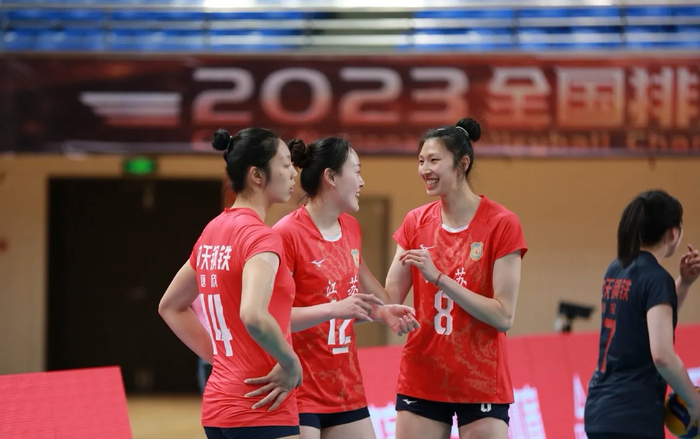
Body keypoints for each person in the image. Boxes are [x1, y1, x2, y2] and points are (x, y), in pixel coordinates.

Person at [245, 136, 420, 439]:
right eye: (357, 171)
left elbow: (359, 299)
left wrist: (382, 313)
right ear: (331, 177)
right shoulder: (286, 234)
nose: (362, 182)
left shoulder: (351, 228)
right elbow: (271, 317)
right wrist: (334, 309)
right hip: (299, 386)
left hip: (345, 387)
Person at [384, 118, 527, 439]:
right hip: (422, 375)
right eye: (421, 161)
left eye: (434, 160)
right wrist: (349, 253)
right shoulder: (415, 222)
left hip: (481, 381)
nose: (425, 169)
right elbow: (389, 298)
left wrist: (439, 278)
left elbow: (503, 316)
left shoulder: (502, 223)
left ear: (462, 164)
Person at [158, 127, 302, 439]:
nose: (293, 172)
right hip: (262, 405)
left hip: (218, 405)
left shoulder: (213, 230)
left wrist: (222, 360)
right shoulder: (261, 238)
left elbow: (170, 306)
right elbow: (253, 314)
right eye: (285, 164)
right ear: (257, 175)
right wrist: (291, 363)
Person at [584, 189, 700, 439]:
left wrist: (684, 282)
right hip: (634, 416)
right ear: (673, 232)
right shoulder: (657, 279)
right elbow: (663, 357)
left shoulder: (616, 268)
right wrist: (693, 401)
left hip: (600, 411)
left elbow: (648, 319)